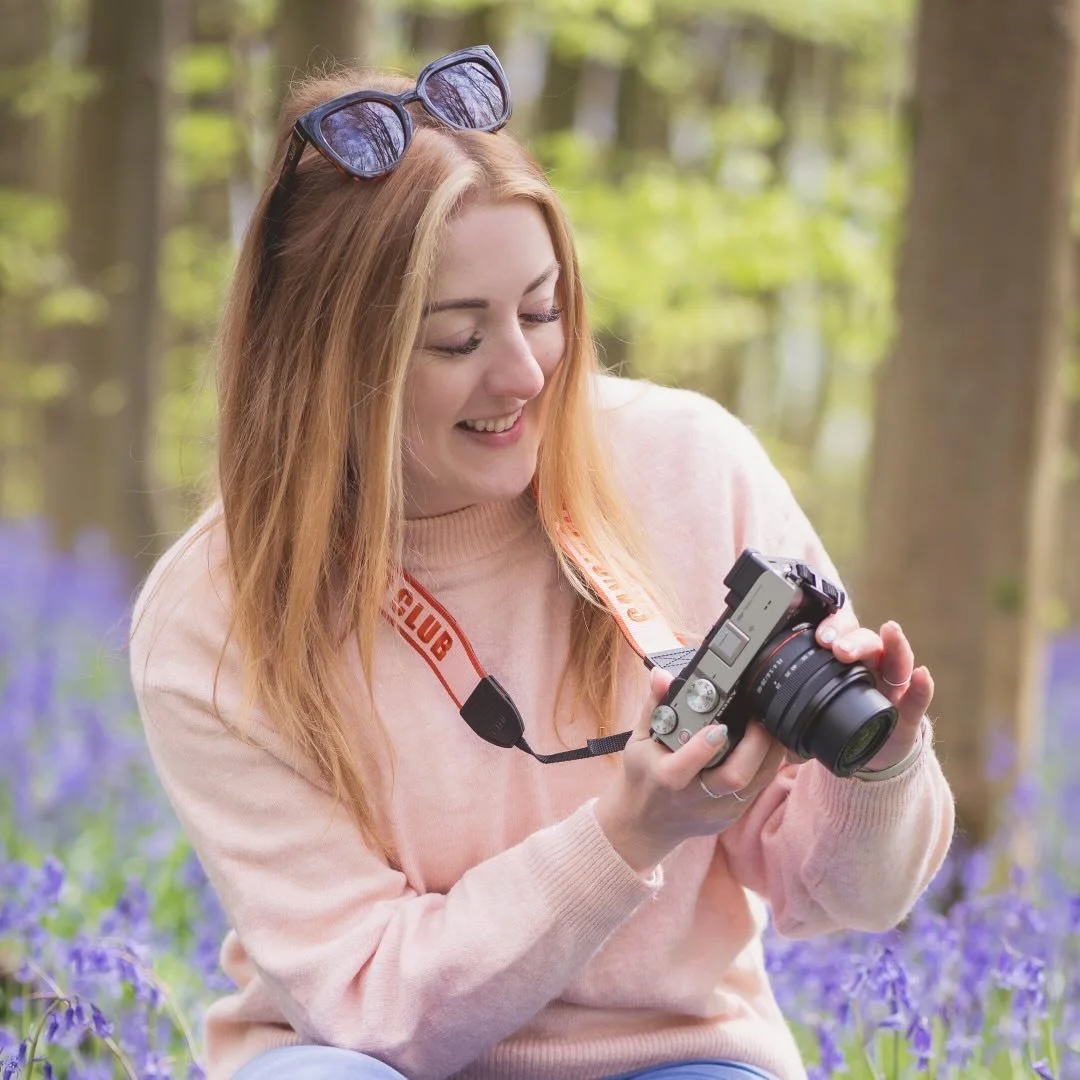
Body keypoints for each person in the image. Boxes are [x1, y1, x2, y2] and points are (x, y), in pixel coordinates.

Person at [129, 45, 955, 1080]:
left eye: (541, 309)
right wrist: (621, 836)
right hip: (364, 1057)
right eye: (455, 339)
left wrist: (877, 768)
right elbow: (367, 999)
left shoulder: (690, 467)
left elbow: (843, 896)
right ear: (328, 359)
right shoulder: (215, 615)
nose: (523, 373)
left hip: (673, 1055)